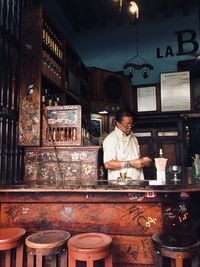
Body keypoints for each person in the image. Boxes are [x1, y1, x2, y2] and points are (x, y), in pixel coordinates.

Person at [103, 109, 152, 182]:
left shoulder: (133, 138)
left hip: (137, 181)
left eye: (131, 124)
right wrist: (131, 164)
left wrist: (143, 162)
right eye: (126, 124)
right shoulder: (111, 139)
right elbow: (108, 164)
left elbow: (134, 159)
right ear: (117, 123)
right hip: (120, 185)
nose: (129, 127)